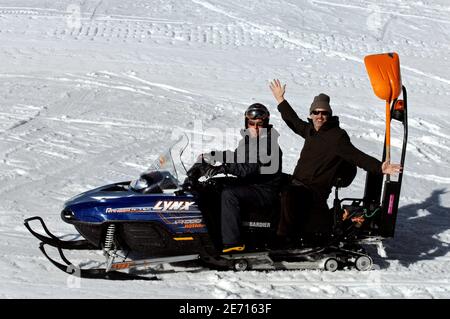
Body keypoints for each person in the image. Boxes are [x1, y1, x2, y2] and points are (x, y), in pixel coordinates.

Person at [269, 79, 402, 241]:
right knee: (271, 179)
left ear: (329, 115)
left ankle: (284, 239)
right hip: (297, 182)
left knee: (289, 194)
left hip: (313, 191)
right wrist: (281, 100)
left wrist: (380, 168)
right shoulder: (311, 130)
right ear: (311, 115)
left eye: (324, 113)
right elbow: (294, 122)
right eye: (316, 112)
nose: (320, 116)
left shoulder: (336, 137)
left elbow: (357, 156)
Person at [194, 103, 283, 253]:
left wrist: (223, 168)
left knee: (230, 195)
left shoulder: (268, 144)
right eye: (251, 123)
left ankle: (232, 243)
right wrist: (214, 156)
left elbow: (249, 168)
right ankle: (210, 232)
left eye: (259, 124)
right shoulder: (249, 141)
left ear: (265, 124)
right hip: (252, 184)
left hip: (265, 190)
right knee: (215, 184)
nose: (255, 127)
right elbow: (236, 157)